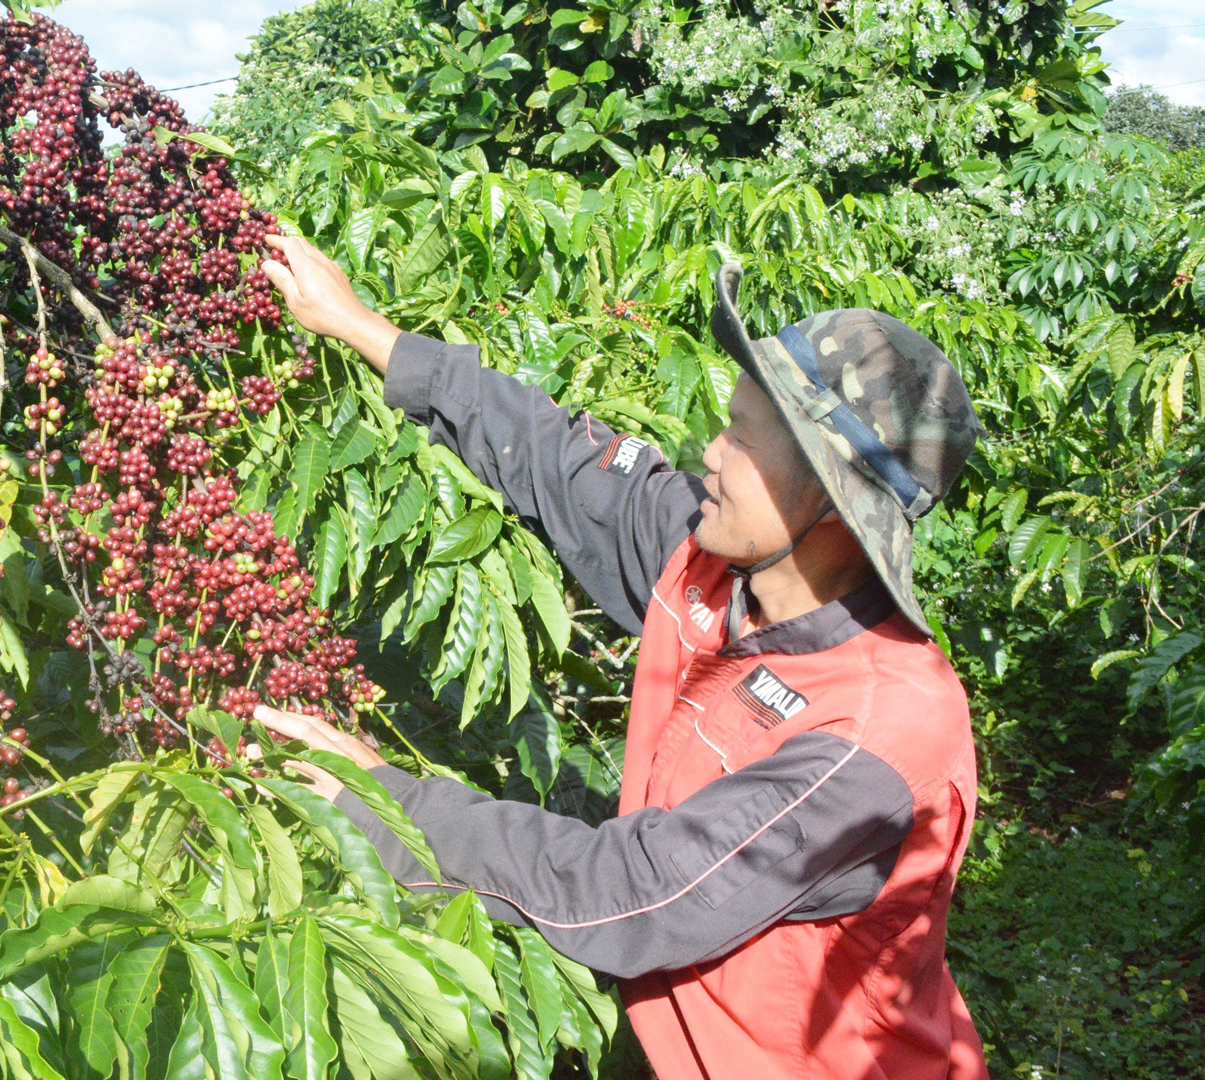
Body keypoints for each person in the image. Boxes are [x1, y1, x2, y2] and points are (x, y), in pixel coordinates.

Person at [251, 231, 989, 1080]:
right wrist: (358, 326)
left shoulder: (877, 733)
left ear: (832, 505)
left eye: (745, 443)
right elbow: (562, 461)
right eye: (726, 425)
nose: (711, 453)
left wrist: (387, 805)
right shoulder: (711, 562)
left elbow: (634, 891)